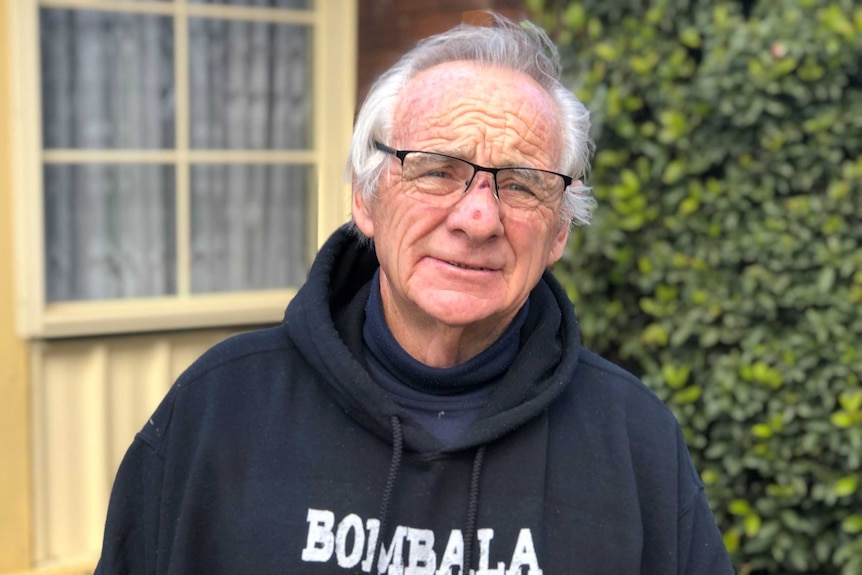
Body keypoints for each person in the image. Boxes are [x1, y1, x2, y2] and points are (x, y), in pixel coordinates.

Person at [95, 12, 734, 575]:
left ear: (560, 228)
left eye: (521, 184)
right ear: (365, 199)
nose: (477, 219)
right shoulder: (219, 410)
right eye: (436, 170)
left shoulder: (632, 442)